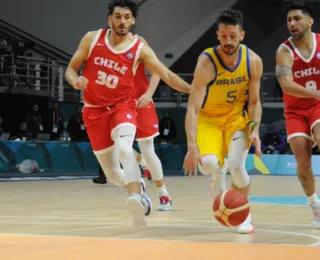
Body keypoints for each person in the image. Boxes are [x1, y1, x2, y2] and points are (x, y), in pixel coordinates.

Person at [65, 0, 190, 226]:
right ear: (109, 19)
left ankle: (139, 196)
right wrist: (75, 81)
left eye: (127, 17)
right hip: (93, 110)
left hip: (124, 105)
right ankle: (139, 186)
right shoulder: (91, 39)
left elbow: (167, 75)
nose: (122, 21)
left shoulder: (140, 48)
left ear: (133, 20)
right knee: (112, 174)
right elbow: (71, 69)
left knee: (126, 147)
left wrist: (195, 91)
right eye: (118, 16)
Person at [183, 9, 262, 234]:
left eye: (233, 36)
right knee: (207, 164)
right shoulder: (206, 63)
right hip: (209, 120)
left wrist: (254, 129)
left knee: (238, 166)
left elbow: (255, 103)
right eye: (224, 35)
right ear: (218, 35)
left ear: (242, 35)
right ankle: (217, 169)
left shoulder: (253, 61)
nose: (228, 41)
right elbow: (193, 107)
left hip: (236, 119)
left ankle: (244, 214)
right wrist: (191, 145)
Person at [275, 3, 320, 228]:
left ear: (309, 21)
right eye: (289, 20)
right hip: (294, 111)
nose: (292, 23)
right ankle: (315, 207)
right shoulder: (284, 51)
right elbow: (286, 85)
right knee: (303, 164)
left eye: (297, 19)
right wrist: (314, 92)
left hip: (319, 105)